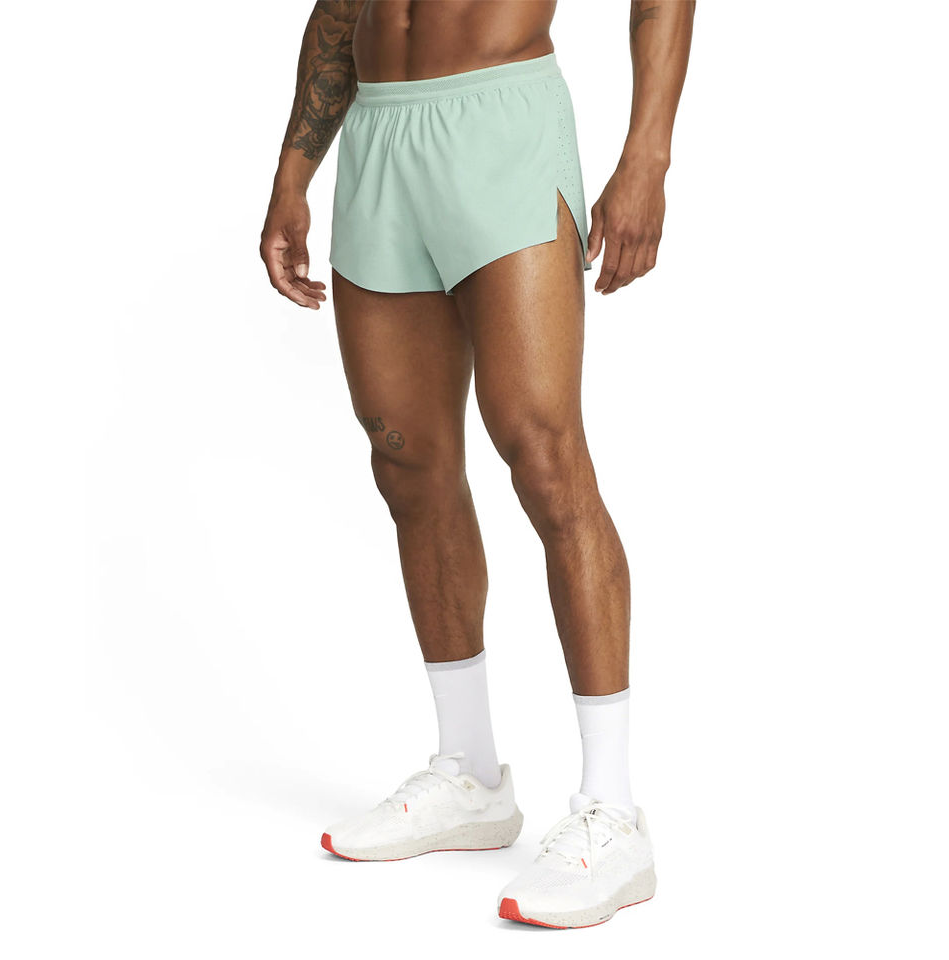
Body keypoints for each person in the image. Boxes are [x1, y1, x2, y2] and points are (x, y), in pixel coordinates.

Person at [260, 0, 694, 929]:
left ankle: (613, 811)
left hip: (502, 119)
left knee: (544, 457)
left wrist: (648, 154)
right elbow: (340, 8)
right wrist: (293, 174)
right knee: (406, 462)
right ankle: (469, 774)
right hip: (379, 133)